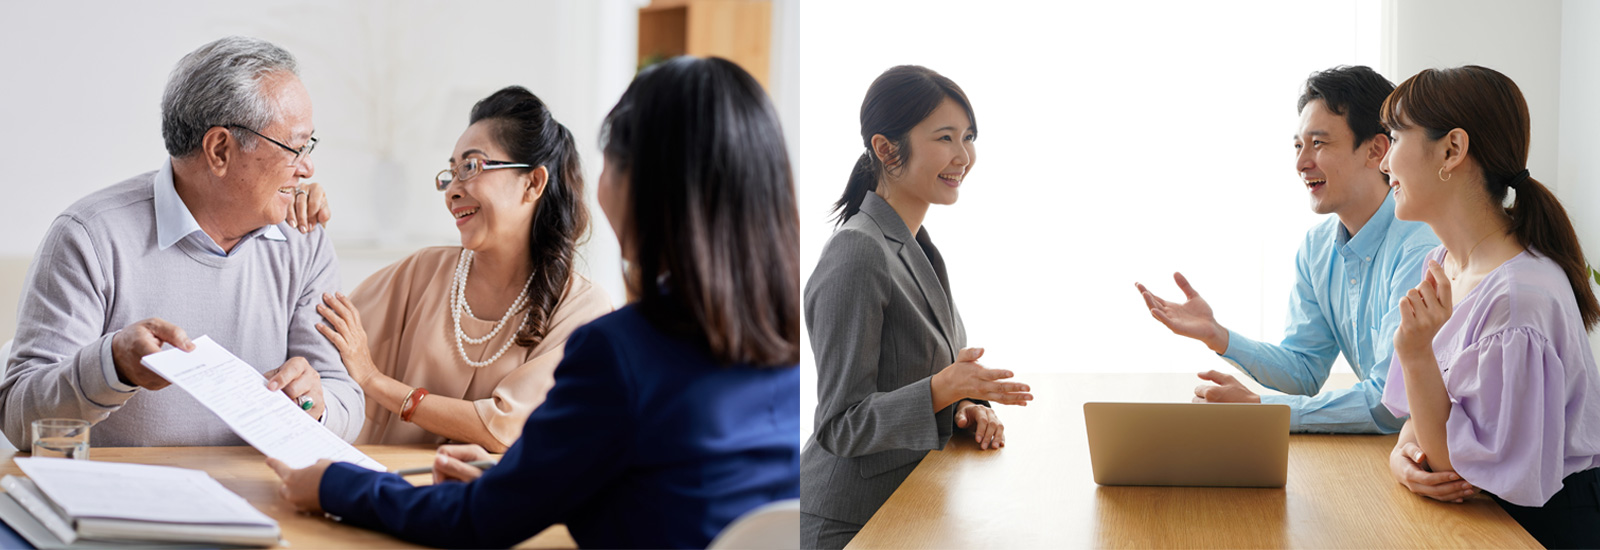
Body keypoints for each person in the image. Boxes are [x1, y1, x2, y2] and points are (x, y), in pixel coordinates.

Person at [268, 56, 800, 549]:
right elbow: (662, 488)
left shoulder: (616, 351)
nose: (454, 188)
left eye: (609, 162)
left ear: (642, 185)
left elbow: (480, 519)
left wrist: (335, 485)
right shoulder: (789, 351)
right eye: (451, 172)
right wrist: (518, 473)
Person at [0, 36, 362, 447]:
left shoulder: (304, 240)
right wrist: (113, 366)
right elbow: (19, 419)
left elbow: (345, 398)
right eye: (294, 147)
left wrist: (316, 405)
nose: (308, 167)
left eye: (308, 145)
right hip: (124, 502)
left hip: (266, 502)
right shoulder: (90, 236)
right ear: (220, 149)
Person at [801, 65, 1033, 550]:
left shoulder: (915, 245)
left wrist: (965, 405)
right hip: (850, 525)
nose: (964, 155)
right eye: (945, 137)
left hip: (908, 510)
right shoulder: (857, 251)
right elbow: (839, 425)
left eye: (968, 136)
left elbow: (914, 380)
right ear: (887, 149)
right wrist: (940, 388)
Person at [1135, 65, 1439, 433]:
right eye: (1298, 145)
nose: (1301, 163)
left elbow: (1390, 404)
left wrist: (1264, 408)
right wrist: (1219, 336)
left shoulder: (1421, 246)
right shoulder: (1316, 246)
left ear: (1376, 150)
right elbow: (1304, 370)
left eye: (1319, 143)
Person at [308, 86, 611, 452]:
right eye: (450, 173)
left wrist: (374, 380)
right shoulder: (423, 272)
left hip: (488, 508)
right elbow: (315, 332)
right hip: (383, 492)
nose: (452, 189)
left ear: (532, 183)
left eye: (471, 167)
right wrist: (297, 224)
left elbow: (505, 428)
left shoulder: (582, 308)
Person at [1377, 65, 1600, 549]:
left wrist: (1415, 354)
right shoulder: (1443, 264)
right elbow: (1426, 418)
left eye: (1394, 137)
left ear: (1452, 150)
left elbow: (1461, 472)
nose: (1384, 163)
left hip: (1540, 529)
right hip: (1486, 520)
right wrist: (1402, 456)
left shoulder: (1518, 299)